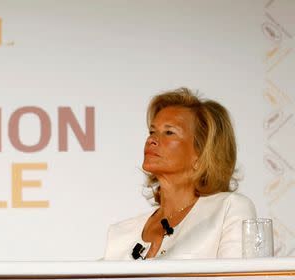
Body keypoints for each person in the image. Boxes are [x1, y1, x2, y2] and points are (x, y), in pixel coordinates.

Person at [104, 88, 256, 260]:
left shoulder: (229, 209)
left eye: (169, 132)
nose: (151, 140)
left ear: (201, 153)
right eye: (152, 132)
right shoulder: (120, 235)